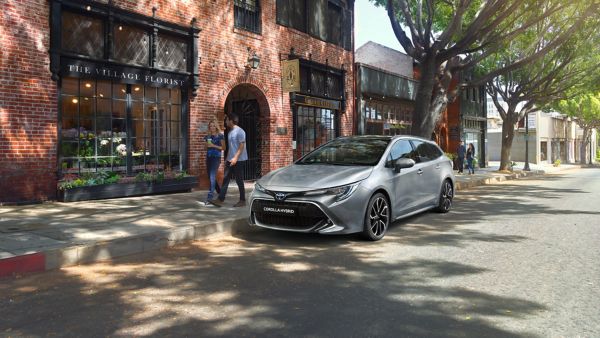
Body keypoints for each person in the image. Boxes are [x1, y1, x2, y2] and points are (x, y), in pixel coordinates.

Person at [209, 113, 248, 207]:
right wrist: (228, 158)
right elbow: (231, 147)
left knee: (239, 180)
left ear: (231, 120)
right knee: (226, 178)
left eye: (226, 120)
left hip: (239, 160)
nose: (225, 122)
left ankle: (242, 200)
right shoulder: (230, 132)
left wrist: (235, 158)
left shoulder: (240, 131)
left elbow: (241, 146)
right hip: (230, 159)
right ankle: (220, 199)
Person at [204, 119, 225, 205]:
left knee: (212, 177)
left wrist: (213, 145)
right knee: (210, 176)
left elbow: (223, 148)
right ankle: (220, 191)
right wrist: (206, 145)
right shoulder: (207, 136)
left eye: (213, 126)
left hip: (216, 158)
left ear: (216, 126)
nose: (212, 127)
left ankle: (210, 197)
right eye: (210, 126)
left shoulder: (220, 136)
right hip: (208, 157)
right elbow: (206, 147)